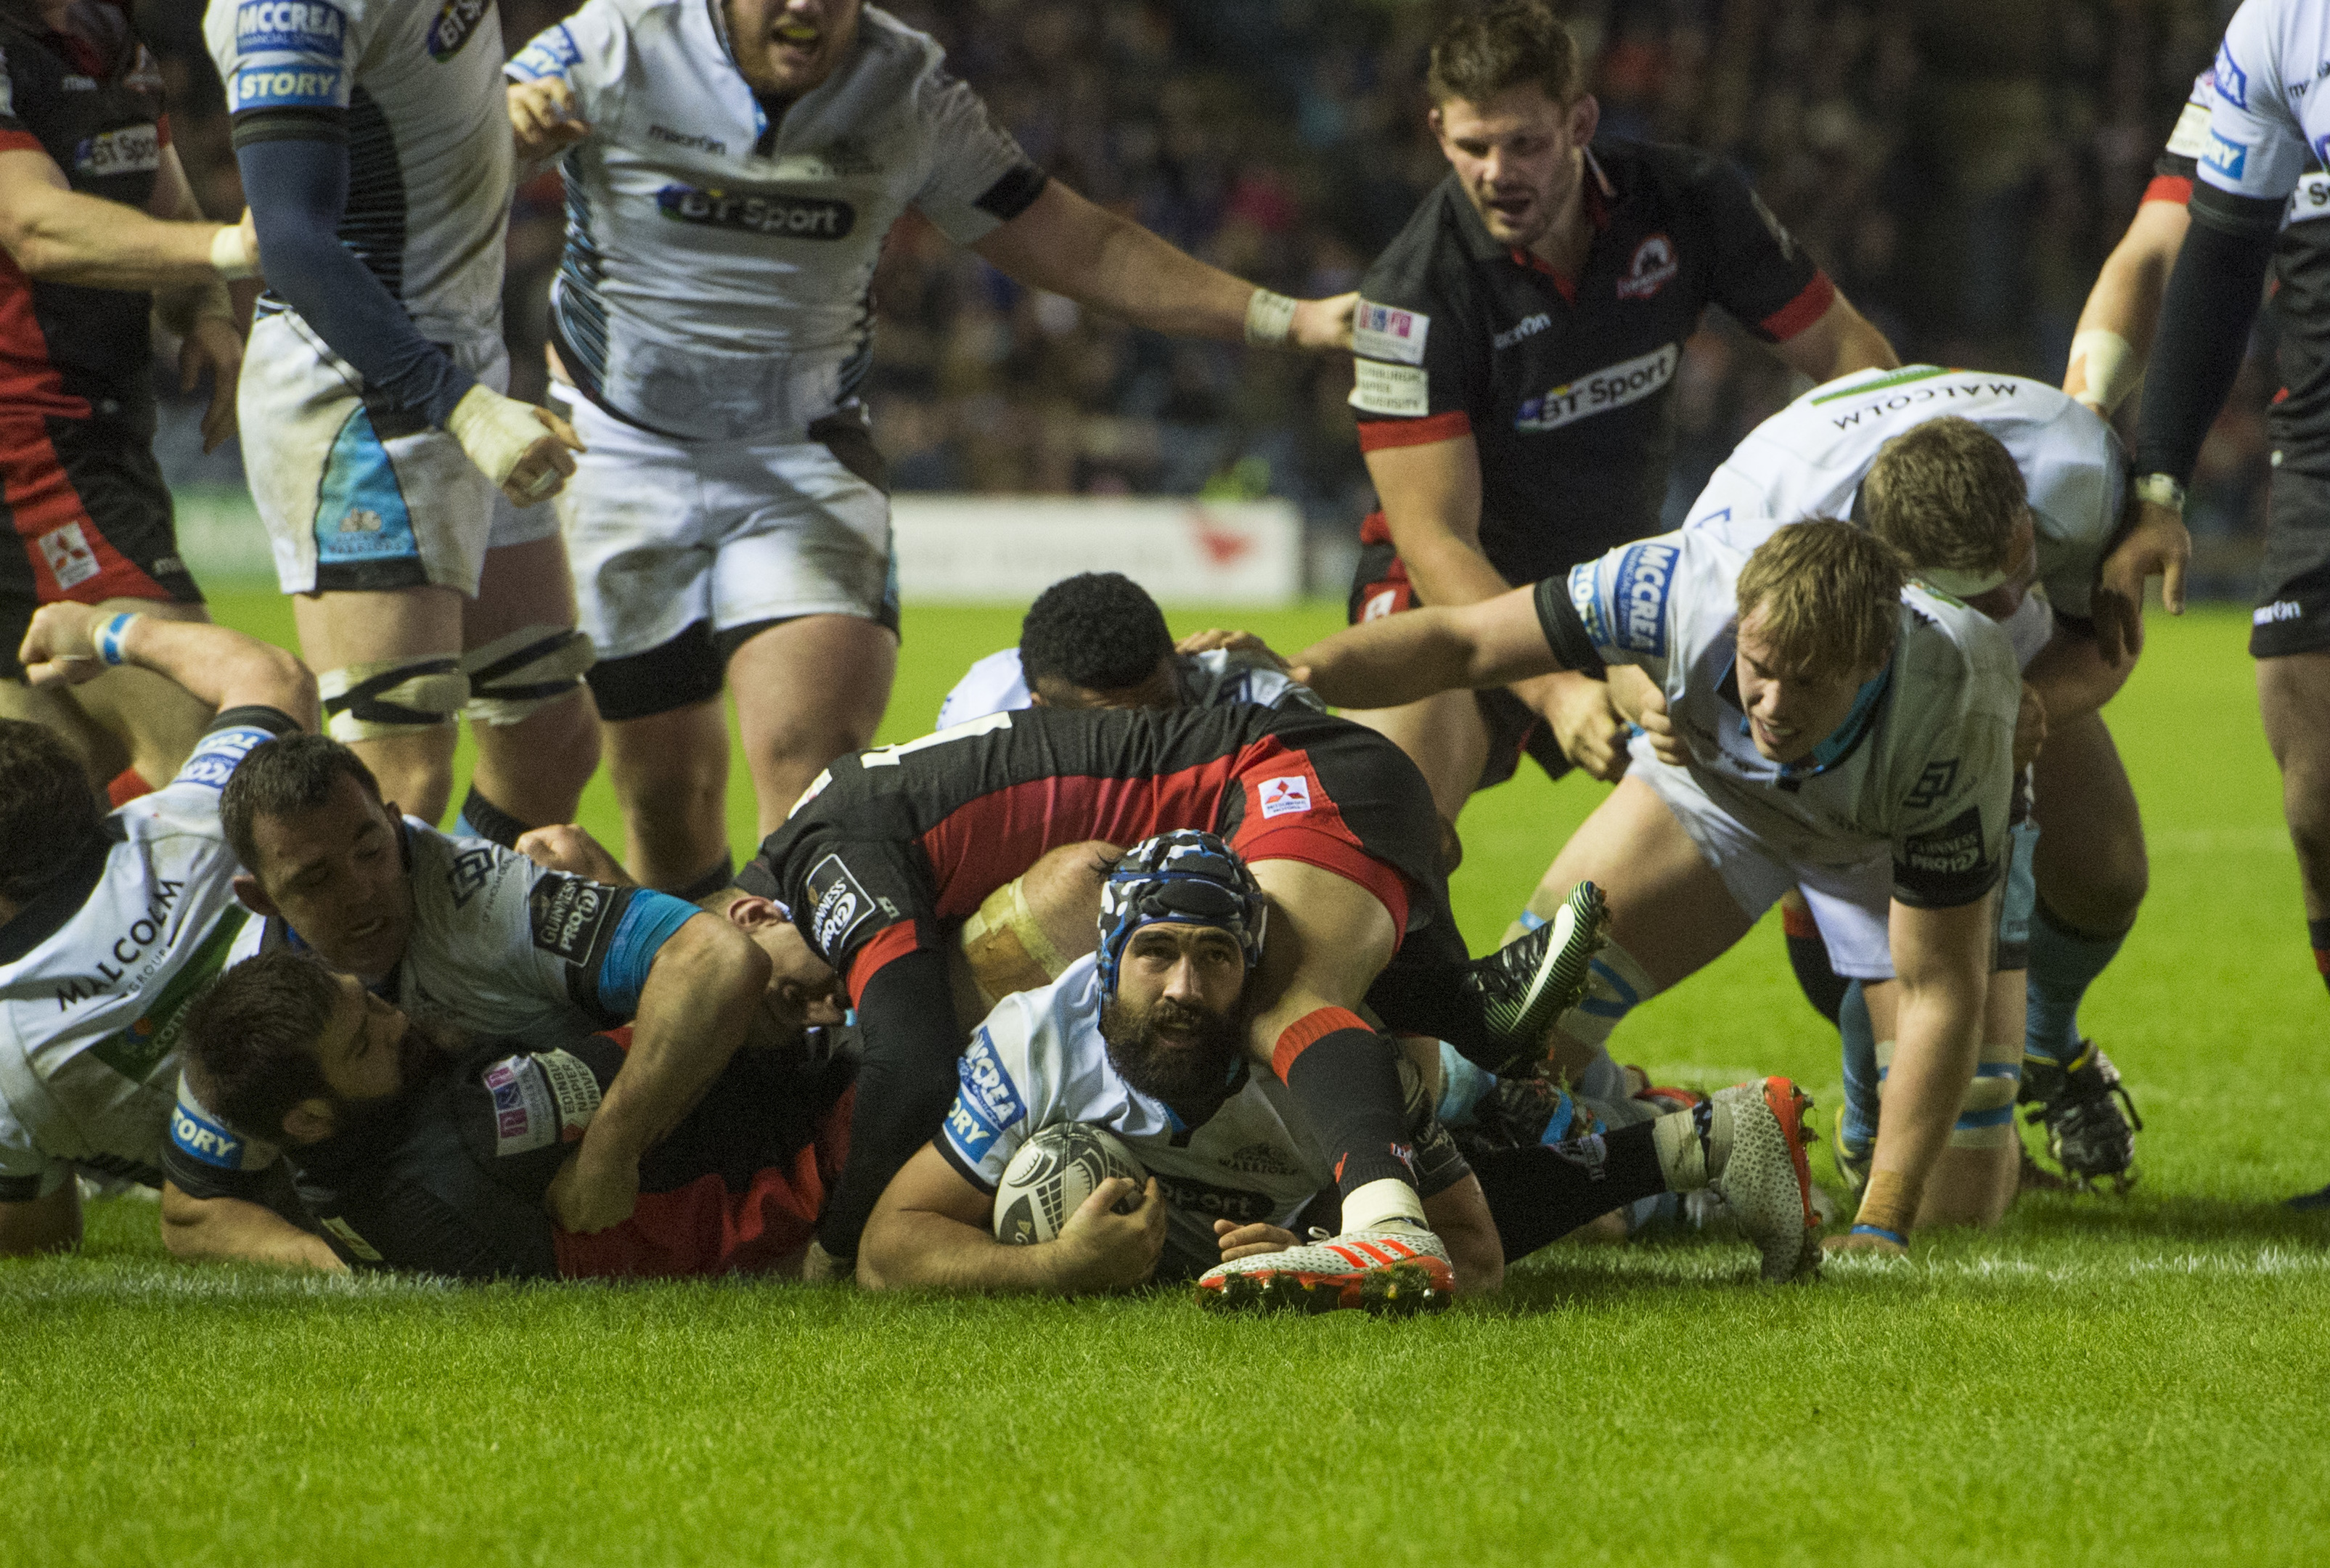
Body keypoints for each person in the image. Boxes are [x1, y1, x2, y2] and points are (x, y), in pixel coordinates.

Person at [503, 0, 1362, 897]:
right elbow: (438, 146)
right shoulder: (614, 41)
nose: (806, 6)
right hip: (618, 452)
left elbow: (1077, 241)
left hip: (801, 459)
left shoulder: (905, 84)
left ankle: (810, 1011)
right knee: (664, 797)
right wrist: (503, 125)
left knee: (812, 769)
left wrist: (1284, 317)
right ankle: (704, 990)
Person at [1292, 520, 2022, 1256]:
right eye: (1759, 666)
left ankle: (1863, 1080)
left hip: (1877, 845)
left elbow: (1943, 984)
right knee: (1506, 1061)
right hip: (1717, 797)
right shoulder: (1675, 583)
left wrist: (1882, 1223)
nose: (1772, 702)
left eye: (1807, 681)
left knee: (1954, 1200)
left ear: (1873, 661)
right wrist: (1300, 674)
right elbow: (1466, 642)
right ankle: (1666, 1124)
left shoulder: (1955, 705)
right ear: (1739, 619)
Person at [734, 701, 1607, 1303]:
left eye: (782, 989)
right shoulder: (1033, 1025)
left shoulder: (828, 852)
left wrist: (834, 1245)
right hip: (1296, 787)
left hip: (1294, 777)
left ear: (750, 910)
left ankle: (1386, 1223)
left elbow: (908, 1050)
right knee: (1382, 1073)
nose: (816, 1006)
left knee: (1273, 1004)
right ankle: (1468, 1009)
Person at [1338, 0, 1895, 854]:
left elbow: (1854, 358)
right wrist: (1558, 688)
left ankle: (1827, 932)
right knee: (1377, 833)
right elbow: (1434, 538)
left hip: (1630, 585)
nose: (1497, 171)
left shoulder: (1688, 201)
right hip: (1452, 597)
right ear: (1438, 133)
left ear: (1579, 122)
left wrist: (1833, 534)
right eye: (1472, 147)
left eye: (1524, 143)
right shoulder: (1406, 298)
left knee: (1827, 789)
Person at [857, 831, 1821, 1303]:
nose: (1185, 986)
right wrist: (1054, 1268)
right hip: (1284, 1186)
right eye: (1155, 954)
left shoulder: (1325, 1064)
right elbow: (887, 1245)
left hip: (1394, 1116)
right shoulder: (1035, 1044)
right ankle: (1706, 1139)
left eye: (1216, 956)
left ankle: (1647, 1137)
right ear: (1107, 965)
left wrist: (1314, 1262)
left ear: (1252, 968)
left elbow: (1470, 1256)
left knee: (1552, 1186)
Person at [1657, 388, 2147, 1191]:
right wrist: (1628, 692)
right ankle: (1863, 1063)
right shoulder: (1754, 517)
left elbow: (2108, 638)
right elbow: (1634, 619)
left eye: (2022, 569)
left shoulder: (2080, 472)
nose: (2017, 598)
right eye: (1988, 594)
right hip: (1827, 686)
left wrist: (2031, 705)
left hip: (1963, 665)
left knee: (2108, 872)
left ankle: (2045, 1046)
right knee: (1937, 1134)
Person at [202, 0, 600, 844]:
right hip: (364, 393)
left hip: (463, 373)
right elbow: (292, 239)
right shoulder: (289, 8)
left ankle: (451, 972)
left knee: (549, 741)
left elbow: (394, 124)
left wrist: (496, 128)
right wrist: (461, 407)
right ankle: (301, 979)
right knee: (398, 780)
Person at [158, 732, 770, 1265]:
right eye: (316, 880)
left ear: (395, 826)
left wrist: (611, 1150)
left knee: (776, 956)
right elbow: (192, 1210)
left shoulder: (489, 902)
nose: (363, 890)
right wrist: (359, 1259)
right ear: (261, 898)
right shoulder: (255, 999)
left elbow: (716, 958)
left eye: (372, 850)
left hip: (698, 1155)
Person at [2080, 7, 2330, 1205]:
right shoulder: (2281, 22)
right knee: (2319, 790)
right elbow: (2216, 248)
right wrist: (2155, 479)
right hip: (2324, 416)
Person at [179, 951, 851, 1279]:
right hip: (827, 1155)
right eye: (364, 1045)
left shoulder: (330, 1189)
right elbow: (699, 1014)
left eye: (372, 1004)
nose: (395, 1022)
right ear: (308, 1118)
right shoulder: (483, 1130)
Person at [0, 602, 314, 1259]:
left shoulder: (9, 1052)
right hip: (427, 1053)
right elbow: (273, 675)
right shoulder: (191, 816)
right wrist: (104, 632)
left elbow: (39, 1240)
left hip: (315, 1204)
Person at [0, 0, 257, 799]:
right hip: (34, 449)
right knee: (210, 760)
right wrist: (236, 247)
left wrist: (208, 307)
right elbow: (32, 224)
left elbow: (164, 208)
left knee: (48, 802)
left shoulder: (113, 33)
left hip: (99, 436)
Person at [936, 573, 1320, 729]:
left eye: (1165, 710)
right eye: (1114, 727)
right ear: (1042, 710)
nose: (1146, 743)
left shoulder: (1259, 705)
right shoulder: (983, 716)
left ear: (1180, 661)